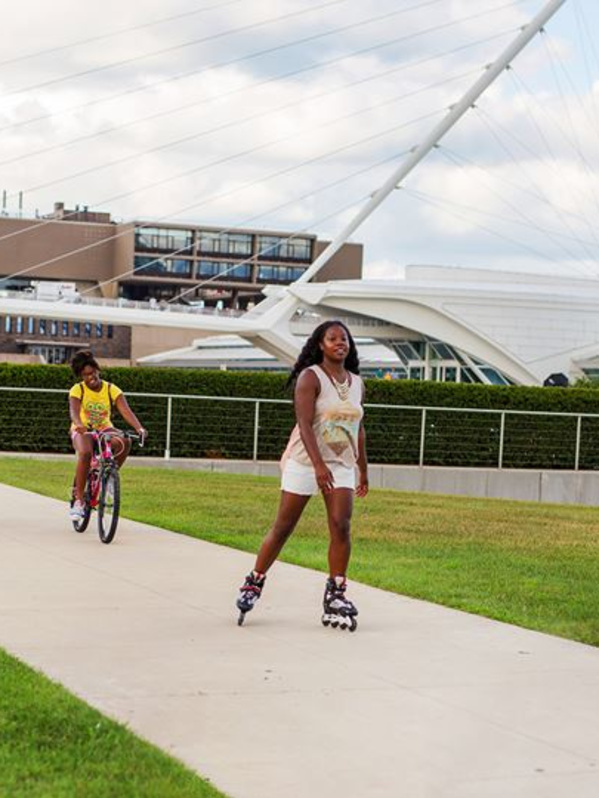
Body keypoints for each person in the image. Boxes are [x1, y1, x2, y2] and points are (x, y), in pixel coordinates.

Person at [236, 320, 368, 630]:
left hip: (341, 463)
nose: (340, 343)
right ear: (320, 345)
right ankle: (254, 581)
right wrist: (318, 466)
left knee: (341, 525)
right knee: (284, 526)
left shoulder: (357, 382)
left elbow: (358, 427)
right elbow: (305, 423)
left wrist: (363, 469)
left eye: (344, 338)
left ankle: (336, 592)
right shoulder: (311, 377)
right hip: (305, 461)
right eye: (332, 338)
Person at [68, 349, 147, 521]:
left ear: (98, 370)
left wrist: (139, 428)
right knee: (86, 453)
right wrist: (79, 424)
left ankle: (110, 476)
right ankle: (79, 500)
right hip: (83, 429)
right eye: (86, 375)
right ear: (81, 376)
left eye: (93, 372)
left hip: (104, 428)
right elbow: (74, 412)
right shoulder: (77, 390)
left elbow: (126, 411)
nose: (91, 377)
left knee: (124, 441)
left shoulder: (111, 389)